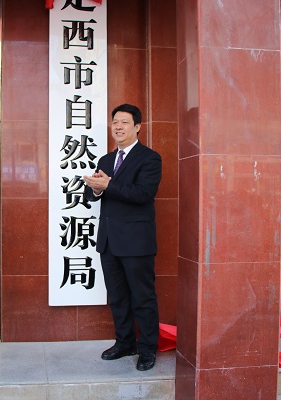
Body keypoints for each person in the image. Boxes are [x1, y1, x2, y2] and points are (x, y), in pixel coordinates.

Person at [83, 104, 162, 371]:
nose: (118, 126)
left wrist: (108, 185)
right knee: (117, 297)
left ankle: (147, 348)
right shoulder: (106, 160)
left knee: (143, 297)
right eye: (115, 121)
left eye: (124, 122)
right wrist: (96, 189)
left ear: (137, 127)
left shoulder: (150, 158)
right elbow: (92, 195)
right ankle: (125, 342)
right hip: (109, 241)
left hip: (136, 241)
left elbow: (143, 194)